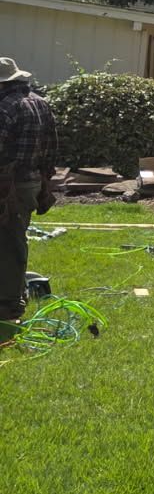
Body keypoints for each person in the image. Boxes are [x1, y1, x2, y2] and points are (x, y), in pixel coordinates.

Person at [0, 57, 58, 323]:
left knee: (9, 245)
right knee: (15, 239)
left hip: (7, 185)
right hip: (31, 182)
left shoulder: (6, 107)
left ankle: (9, 307)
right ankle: (15, 294)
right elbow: (52, 148)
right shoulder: (41, 103)